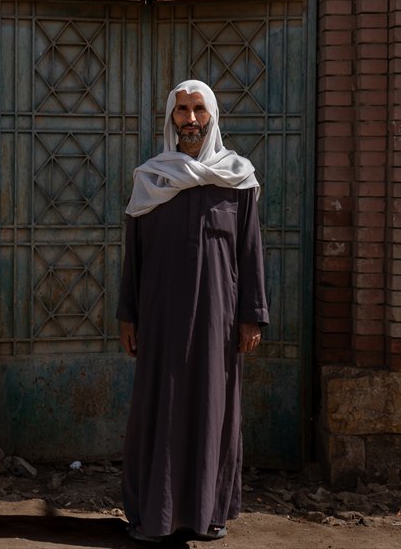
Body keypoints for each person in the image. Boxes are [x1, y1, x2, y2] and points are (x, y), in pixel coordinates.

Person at [116, 79, 268, 543]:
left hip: (217, 325)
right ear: (170, 119)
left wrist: (251, 315)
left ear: (213, 116)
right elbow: (134, 257)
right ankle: (152, 518)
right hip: (160, 321)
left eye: (198, 109)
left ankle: (208, 515)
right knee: (157, 411)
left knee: (213, 412)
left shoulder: (237, 179)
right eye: (182, 110)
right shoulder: (152, 179)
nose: (191, 119)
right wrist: (129, 315)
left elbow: (250, 252)